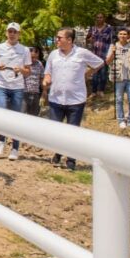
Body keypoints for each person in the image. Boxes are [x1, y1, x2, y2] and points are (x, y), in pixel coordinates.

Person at [42, 28, 104, 170]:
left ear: (69, 40)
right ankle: (58, 153)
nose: (57, 40)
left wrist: (88, 73)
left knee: (72, 132)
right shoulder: (53, 55)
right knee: (56, 130)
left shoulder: (81, 53)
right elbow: (48, 73)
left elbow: (99, 62)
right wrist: (46, 81)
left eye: (59, 38)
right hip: (56, 99)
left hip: (75, 100)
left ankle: (71, 160)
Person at [0, 22, 31, 161]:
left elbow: (28, 71)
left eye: (15, 32)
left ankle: (15, 147)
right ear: (6, 33)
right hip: (1, 85)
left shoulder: (25, 50)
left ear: (19, 34)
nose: (12, 34)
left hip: (17, 87)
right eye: (10, 31)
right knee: (1, 114)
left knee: (15, 118)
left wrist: (21, 70)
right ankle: (1, 140)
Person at [105, 28, 130, 129]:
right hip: (119, 77)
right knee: (119, 99)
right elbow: (107, 62)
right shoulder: (113, 46)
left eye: (125, 34)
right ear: (118, 35)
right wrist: (112, 52)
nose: (122, 36)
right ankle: (121, 120)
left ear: (128, 35)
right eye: (120, 34)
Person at [87, 13, 115, 98]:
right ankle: (94, 92)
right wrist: (90, 40)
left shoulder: (109, 29)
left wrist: (111, 54)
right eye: (98, 17)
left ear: (104, 18)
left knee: (103, 74)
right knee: (95, 74)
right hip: (94, 55)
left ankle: (101, 91)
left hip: (105, 54)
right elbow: (87, 39)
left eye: (101, 17)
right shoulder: (92, 28)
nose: (99, 19)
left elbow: (112, 41)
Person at [24, 45, 45, 117]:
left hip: (36, 94)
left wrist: (44, 92)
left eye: (36, 57)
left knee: (34, 116)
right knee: (21, 116)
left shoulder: (39, 64)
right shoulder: (24, 64)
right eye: (32, 57)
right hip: (24, 93)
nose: (34, 59)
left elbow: (42, 78)